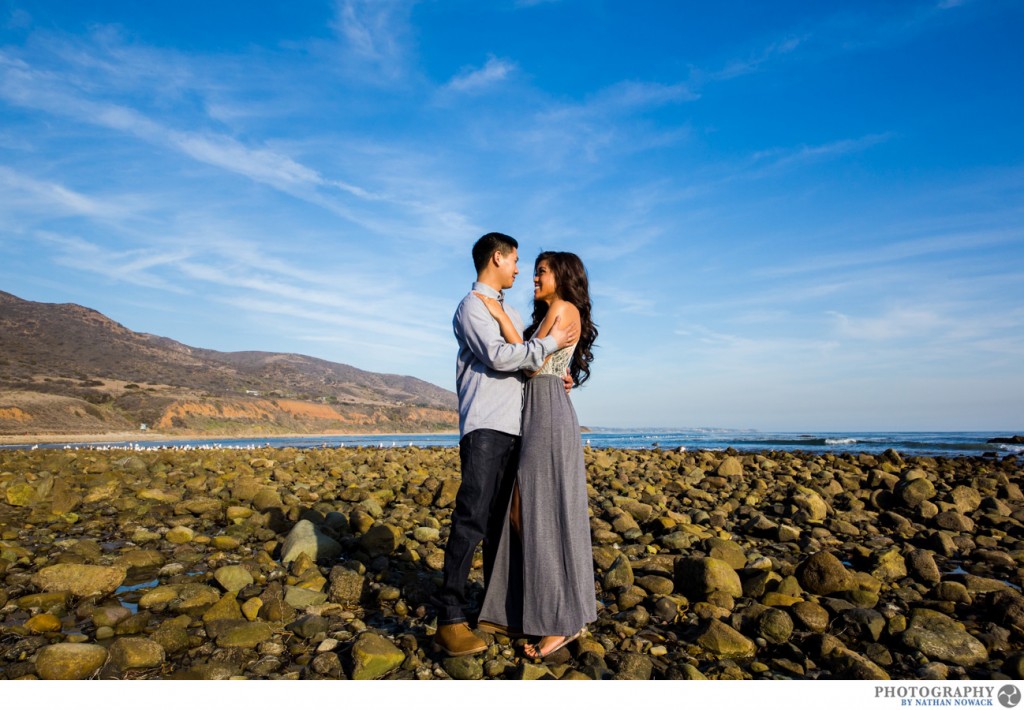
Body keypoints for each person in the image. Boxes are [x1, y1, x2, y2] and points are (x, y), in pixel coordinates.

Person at [432, 233, 578, 657]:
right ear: (497, 257)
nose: (520, 269)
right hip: (486, 425)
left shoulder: (508, 309)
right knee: (472, 519)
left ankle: (496, 611)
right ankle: (449, 619)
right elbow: (499, 355)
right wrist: (548, 348)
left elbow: (528, 359)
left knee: (503, 524)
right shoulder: (473, 306)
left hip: (518, 427)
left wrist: (554, 372)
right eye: (515, 261)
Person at [475, 250, 599, 660]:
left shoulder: (563, 307)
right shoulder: (559, 310)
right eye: (532, 272)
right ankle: (535, 609)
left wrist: (501, 317)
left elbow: (531, 365)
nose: (533, 278)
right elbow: (540, 360)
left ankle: (560, 621)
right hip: (542, 412)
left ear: (561, 276)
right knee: (525, 511)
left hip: (547, 416)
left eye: (540, 272)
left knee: (536, 512)